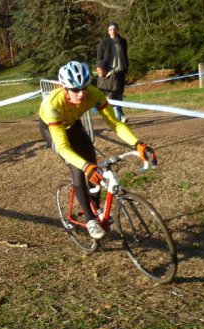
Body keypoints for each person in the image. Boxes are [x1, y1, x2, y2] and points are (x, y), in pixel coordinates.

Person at [39, 61, 157, 240]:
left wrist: (138, 144)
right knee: (79, 169)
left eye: (84, 87)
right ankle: (89, 219)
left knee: (96, 168)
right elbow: (63, 147)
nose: (82, 93)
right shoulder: (52, 105)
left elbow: (115, 124)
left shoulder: (94, 95)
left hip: (74, 125)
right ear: (64, 88)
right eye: (75, 89)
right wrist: (85, 166)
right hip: (52, 128)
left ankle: (95, 207)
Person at [96, 22, 129, 123]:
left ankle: (119, 115)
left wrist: (127, 66)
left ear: (117, 30)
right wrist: (101, 69)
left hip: (121, 71)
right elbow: (99, 58)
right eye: (111, 29)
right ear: (108, 31)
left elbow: (125, 55)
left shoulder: (123, 41)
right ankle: (120, 116)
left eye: (114, 29)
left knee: (120, 93)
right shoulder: (104, 43)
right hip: (110, 72)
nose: (113, 31)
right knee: (113, 94)